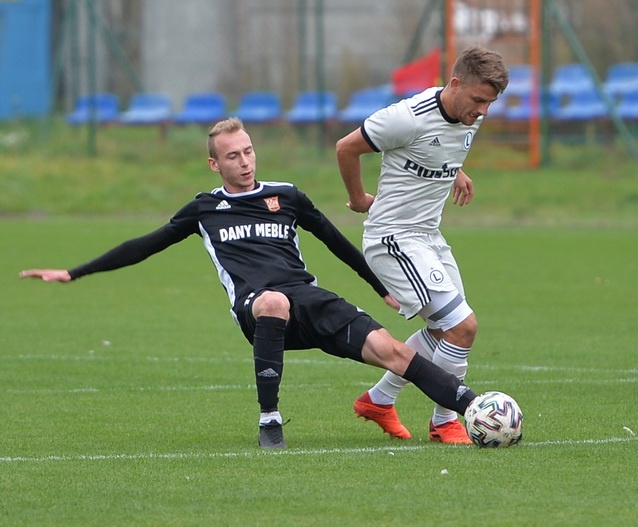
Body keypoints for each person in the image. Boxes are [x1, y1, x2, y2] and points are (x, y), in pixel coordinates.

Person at [20, 118, 480, 449]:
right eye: (232, 156)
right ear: (213, 164)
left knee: (394, 351)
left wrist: (378, 285)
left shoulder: (287, 196)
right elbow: (143, 245)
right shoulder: (203, 209)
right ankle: (270, 420)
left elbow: (336, 241)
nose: (244, 162)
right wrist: (74, 272)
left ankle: (475, 407)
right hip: (256, 307)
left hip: (310, 299)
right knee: (274, 301)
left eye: (248, 151)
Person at [335, 45, 509, 444]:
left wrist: (456, 171)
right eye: (478, 100)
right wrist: (360, 199)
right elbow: (347, 147)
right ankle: (445, 420)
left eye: (490, 103)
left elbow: (443, 144)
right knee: (462, 326)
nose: (483, 111)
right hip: (393, 238)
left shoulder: (469, 116)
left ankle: (379, 400)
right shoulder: (405, 118)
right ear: (454, 83)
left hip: (429, 236)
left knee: (446, 330)